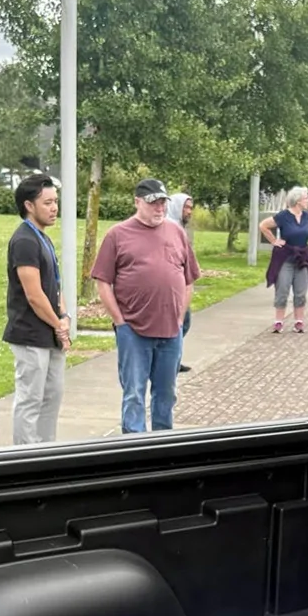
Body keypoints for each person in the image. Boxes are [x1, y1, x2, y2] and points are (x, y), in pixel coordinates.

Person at [93, 178, 199, 433]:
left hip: (171, 332)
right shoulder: (118, 235)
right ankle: (134, 449)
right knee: (134, 394)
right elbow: (103, 282)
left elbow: (188, 280)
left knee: (166, 394)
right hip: (134, 332)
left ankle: (162, 446)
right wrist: (121, 322)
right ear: (137, 202)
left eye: (163, 203)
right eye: (153, 203)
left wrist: (179, 316)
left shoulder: (176, 232)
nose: (159, 208)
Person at [2, 173, 68, 445]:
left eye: (56, 202)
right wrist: (58, 324)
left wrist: (63, 318)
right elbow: (34, 294)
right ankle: (24, 459)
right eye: (48, 202)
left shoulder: (43, 239)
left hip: (51, 332)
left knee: (52, 396)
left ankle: (46, 454)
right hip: (30, 334)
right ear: (29, 205)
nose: (54, 208)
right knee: (30, 399)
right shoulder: (25, 241)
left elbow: (55, 285)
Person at [260, 186, 308, 333]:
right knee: (282, 289)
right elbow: (263, 225)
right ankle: (278, 321)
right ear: (298, 201)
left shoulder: (306, 216)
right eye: (306, 198)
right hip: (286, 257)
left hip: (302, 257)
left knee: (300, 291)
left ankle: (299, 322)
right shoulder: (283, 216)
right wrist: (274, 241)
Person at [167, 191, 195, 372]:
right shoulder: (169, 227)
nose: (189, 212)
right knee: (180, 322)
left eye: (191, 208)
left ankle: (173, 359)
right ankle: (169, 360)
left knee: (183, 321)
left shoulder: (179, 227)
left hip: (181, 285)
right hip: (169, 288)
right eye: (186, 207)